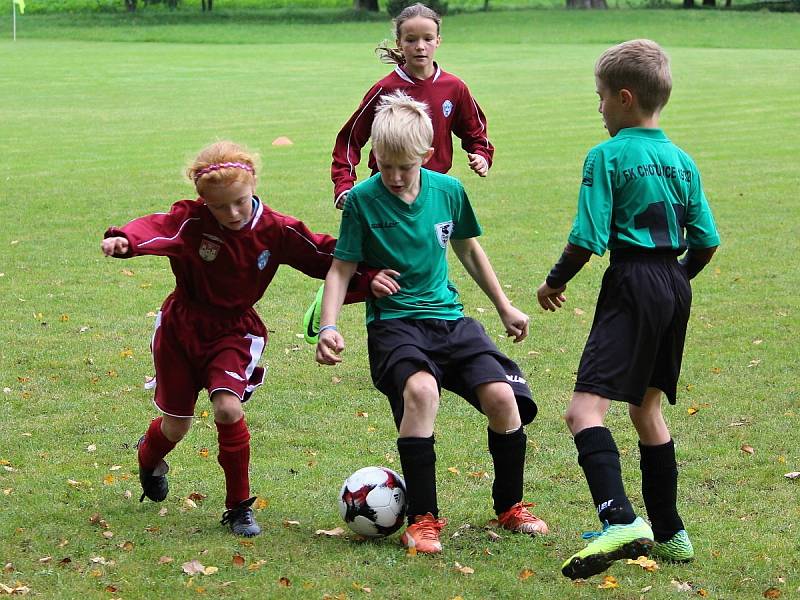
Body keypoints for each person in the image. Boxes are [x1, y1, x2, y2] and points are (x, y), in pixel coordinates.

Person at [101, 141, 379, 537]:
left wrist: (371, 275)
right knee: (175, 427)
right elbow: (156, 227)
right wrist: (126, 240)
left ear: (254, 186)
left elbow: (323, 254)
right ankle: (149, 459)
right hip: (181, 330)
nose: (232, 212)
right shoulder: (192, 221)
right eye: (220, 206)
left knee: (228, 409)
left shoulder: (276, 229)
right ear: (203, 202)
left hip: (234, 331)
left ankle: (238, 507)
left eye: (240, 202)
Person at [316, 91, 549, 555]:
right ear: (374, 158)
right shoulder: (362, 200)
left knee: (505, 398)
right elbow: (342, 267)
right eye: (386, 167)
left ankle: (510, 506)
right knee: (422, 392)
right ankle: (422, 520)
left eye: (407, 166)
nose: (397, 178)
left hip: (450, 320)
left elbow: (468, 249)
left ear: (425, 155)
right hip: (395, 325)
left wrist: (504, 306)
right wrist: (329, 325)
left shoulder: (449, 191)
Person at [535, 40, 720, 579]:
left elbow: (587, 237)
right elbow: (706, 239)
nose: (597, 108)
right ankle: (671, 532)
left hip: (633, 280)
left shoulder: (606, 156)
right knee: (646, 409)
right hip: (673, 283)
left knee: (582, 412)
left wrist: (553, 283)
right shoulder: (681, 159)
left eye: (599, 98)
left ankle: (620, 519)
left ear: (623, 98)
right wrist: (673, 281)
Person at [330, 2, 493, 210]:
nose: (420, 46)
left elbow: (475, 132)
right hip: (386, 194)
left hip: (433, 194)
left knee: (433, 244)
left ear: (438, 41)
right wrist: (344, 185)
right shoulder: (385, 89)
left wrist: (481, 155)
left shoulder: (454, 88)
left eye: (428, 38)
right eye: (411, 39)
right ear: (399, 43)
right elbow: (349, 138)